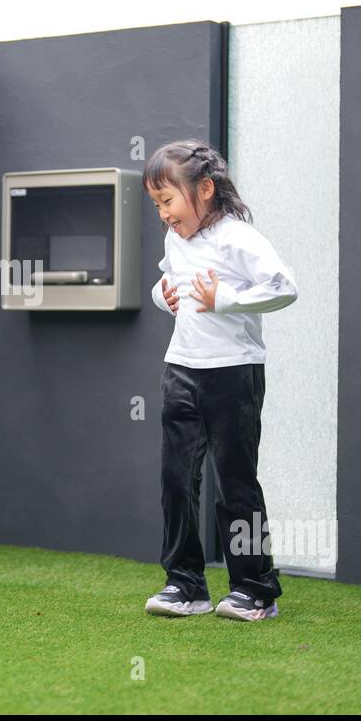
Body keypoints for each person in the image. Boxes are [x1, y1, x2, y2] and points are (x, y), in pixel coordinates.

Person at [142, 140, 296, 622]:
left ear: (204, 190)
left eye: (168, 201)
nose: (164, 213)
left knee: (235, 483)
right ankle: (185, 585)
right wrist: (161, 296)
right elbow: (167, 281)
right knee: (175, 480)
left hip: (234, 373)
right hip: (182, 368)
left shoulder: (238, 238)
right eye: (156, 205)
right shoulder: (176, 240)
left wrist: (225, 299)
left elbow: (283, 287)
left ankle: (255, 589)